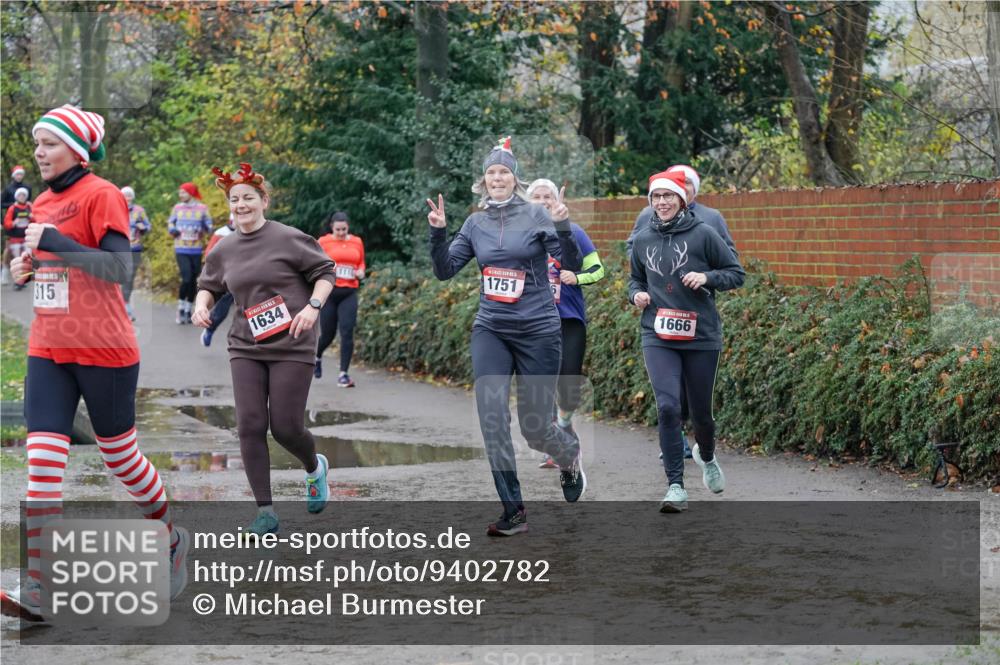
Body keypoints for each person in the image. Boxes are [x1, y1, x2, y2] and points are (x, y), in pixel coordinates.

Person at [0, 105, 189, 622]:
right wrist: (27, 266)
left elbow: (118, 269)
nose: (39, 153)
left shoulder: (102, 194)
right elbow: (54, 266)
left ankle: (170, 537)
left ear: (77, 150)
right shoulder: (41, 201)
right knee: (42, 462)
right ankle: (39, 585)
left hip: (105, 350)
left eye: (49, 144)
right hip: (48, 347)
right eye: (37, 143)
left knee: (120, 459)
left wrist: (56, 243)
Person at [426, 137, 586, 537]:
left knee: (536, 429)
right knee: (492, 416)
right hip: (492, 329)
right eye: (491, 172)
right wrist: (438, 233)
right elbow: (445, 270)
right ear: (484, 180)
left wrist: (563, 226)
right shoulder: (475, 223)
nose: (497, 178)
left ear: (515, 178)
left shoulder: (536, 215)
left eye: (503, 172)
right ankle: (513, 511)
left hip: (538, 331)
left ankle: (568, 454)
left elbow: (571, 264)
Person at [193, 162, 336, 535]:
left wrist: (312, 307)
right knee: (250, 424)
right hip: (246, 344)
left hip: (293, 342)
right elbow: (208, 284)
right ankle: (265, 512)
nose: (241, 205)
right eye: (234, 200)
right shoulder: (225, 248)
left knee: (286, 427)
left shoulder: (289, 238)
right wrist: (201, 305)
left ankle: (314, 468)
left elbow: (325, 273)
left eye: (248, 198)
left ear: (264, 201)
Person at [628, 170, 744, 513]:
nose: (662, 202)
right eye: (656, 197)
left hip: (700, 335)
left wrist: (706, 276)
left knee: (701, 414)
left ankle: (706, 454)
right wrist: (636, 295)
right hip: (657, 334)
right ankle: (675, 486)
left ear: (681, 199)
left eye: (668, 196)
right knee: (667, 407)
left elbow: (736, 273)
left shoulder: (703, 233)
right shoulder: (643, 238)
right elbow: (635, 279)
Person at [526, 178, 605, 469]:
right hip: (534, 321)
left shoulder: (574, 231)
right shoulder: (521, 235)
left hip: (569, 319)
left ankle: (563, 424)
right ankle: (556, 444)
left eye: (548, 195)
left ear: (557, 200)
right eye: (537, 196)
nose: (543, 201)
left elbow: (598, 269)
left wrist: (577, 277)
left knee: (569, 380)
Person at [314, 210, 365, 385]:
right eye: (338, 230)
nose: (341, 233)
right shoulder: (323, 242)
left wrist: (361, 271)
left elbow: (361, 263)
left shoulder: (357, 241)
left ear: (348, 227)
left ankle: (343, 374)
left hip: (349, 292)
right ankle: (317, 356)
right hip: (329, 292)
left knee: (347, 332)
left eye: (344, 229)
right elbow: (314, 263)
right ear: (332, 228)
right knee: (328, 334)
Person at [168, 181, 212, 324]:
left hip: (196, 249)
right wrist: (173, 230)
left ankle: (188, 309)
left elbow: (209, 225)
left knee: (193, 280)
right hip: (181, 248)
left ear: (191, 193)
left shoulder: (202, 208)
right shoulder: (177, 208)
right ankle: (180, 308)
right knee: (186, 278)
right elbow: (171, 222)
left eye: (183, 192)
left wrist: (206, 227)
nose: (180, 195)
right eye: (180, 192)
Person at [199, 214, 236, 347]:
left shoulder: (251, 233)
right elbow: (209, 254)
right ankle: (210, 328)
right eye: (234, 220)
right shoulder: (221, 233)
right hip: (225, 275)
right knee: (223, 306)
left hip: (247, 276)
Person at [121, 186, 150, 321]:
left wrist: (143, 228)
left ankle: (125, 305)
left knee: (130, 277)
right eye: (125, 195)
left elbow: (148, 226)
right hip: (119, 249)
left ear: (132, 197)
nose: (127, 198)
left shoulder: (139, 211)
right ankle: (123, 307)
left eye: (129, 195)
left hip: (135, 248)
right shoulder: (115, 208)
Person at [1, 166, 31, 286]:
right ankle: (4, 273)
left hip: (23, 224)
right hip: (11, 221)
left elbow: (28, 203)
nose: (19, 176)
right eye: (17, 174)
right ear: (14, 175)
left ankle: (22, 275)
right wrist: (13, 205)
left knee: (23, 250)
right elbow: (1, 204)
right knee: (8, 249)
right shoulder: (8, 189)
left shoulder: (27, 187)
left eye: (21, 174)